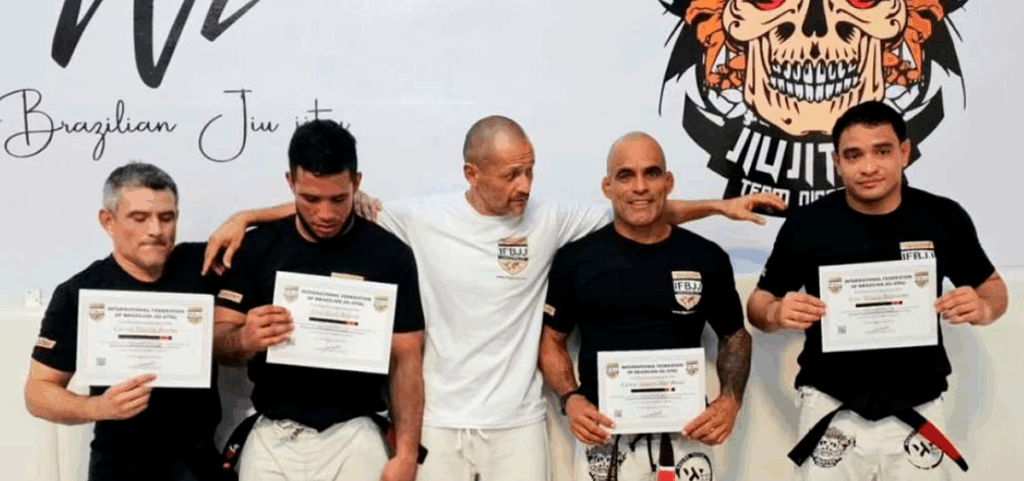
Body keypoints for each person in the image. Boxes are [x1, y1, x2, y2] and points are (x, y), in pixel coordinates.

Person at [207, 116, 783, 481]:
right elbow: (332, 204)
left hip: (518, 423)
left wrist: (717, 206)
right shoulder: (419, 218)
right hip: (438, 422)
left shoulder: (550, 219)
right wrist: (247, 216)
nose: (524, 185)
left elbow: (640, 209)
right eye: (510, 175)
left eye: (529, 171)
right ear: (472, 173)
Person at [746, 101, 1008, 480]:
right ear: (837, 162)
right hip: (830, 405)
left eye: (882, 151)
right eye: (854, 155)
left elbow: (994, 289)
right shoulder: (807, 224)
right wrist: (775, 313)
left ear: (904, 152)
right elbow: (759, 303)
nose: (868, 167)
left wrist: (983, 308)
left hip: (919, 405)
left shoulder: (943, 217)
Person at [212, 120, 425, 481]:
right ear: (290, 183)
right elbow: (218, 340)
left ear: (356, 183)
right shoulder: (256, 247)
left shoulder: (390, 255)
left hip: (356, 432)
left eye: (339, 199)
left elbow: (407, 360)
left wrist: (406, 453)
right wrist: (245, 339)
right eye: (310, 199)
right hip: (272, 432)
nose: (325, 214)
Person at [540, 132, 751, 481]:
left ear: (669, 182)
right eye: (626, 176)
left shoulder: (706, 257)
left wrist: (731, 399)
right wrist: (570, 398)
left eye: (651, 173)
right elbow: (551, 341)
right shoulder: (575, 259)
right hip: (604, 436)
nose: (640, 187)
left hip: (687, 434)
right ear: (608, 187)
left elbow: (735, 335)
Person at [24, 162, 223, 481]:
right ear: (108, 221)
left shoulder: (203, 266)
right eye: (139, 218)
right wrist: (97, 407)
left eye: (167, 217)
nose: (156, 230)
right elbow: (37, 392)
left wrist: (245, 219)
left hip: (198, 462)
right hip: (120, 465)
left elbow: (297, 219)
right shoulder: (79, 292)